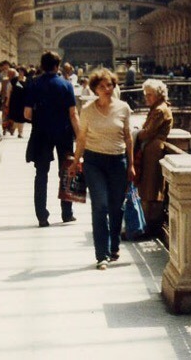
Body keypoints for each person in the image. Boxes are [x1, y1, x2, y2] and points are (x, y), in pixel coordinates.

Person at [72, 68, 135, 269]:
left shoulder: (123, 108)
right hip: (94, 162)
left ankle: (114, 245)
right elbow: (81, 138)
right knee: (100, 205)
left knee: (117, 207)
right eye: (102, 86)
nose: (107, 89)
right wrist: (75, 161)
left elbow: (128, 137)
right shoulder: (88, 110)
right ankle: (102, 254)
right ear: (94, 89)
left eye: (110, 85)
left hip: (118, 162)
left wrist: (131, 164)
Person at [24, 51, 81, 227]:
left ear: (41, 65)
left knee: (41, 174)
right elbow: (73, 113)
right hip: (63, 133)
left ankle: (42, 216)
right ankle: (67, 212)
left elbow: (27, 114)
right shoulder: (66, 85)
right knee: (66, 171)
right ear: (57, 66)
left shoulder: (33, 84)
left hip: (41, 133)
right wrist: (80, 136)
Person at [135, 79, 174, 231]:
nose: (147, 98)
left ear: (158, 95)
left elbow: (148, 132)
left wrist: (135, 134)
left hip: (154, 152)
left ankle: (149, 225)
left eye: (149, 95)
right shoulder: (156, 108)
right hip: (151, 151)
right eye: (146, 95)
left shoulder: (160, 110)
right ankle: (146, 224)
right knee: (148, 186)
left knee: (151, 186)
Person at [7, 66, 28, 138]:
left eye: (22, 71)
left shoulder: (27, 80)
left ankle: (20, 133)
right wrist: (7, 101)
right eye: (19, 71)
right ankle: (13, 128)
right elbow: (9, 91)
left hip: (23, 101)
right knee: (15, 117)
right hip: (14, 101)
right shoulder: (14, 80)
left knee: (22, 117)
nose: (20, 73)